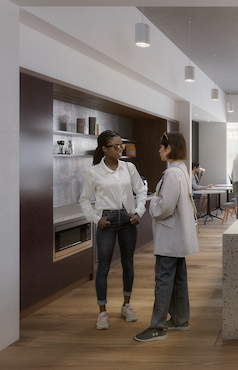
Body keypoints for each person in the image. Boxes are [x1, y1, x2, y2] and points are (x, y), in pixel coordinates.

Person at [78, 130, 147, 330]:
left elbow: (141, 191)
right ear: (104, 149)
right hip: (106, 221)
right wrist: (95, 219)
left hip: (127, 220)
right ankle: (102, 312)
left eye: (121, 145)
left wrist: (138, 212)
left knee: (128, 264)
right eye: (115, 146)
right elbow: (84, 199)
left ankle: (127, 305)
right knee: (103, 268)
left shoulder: (129, 167)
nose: (120, 149)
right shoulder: (94, 172)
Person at [135, 132, 199, 342]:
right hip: (178, 235)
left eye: (161, 147)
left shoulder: (171, 174)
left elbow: (165, 207)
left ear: (169, 148)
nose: (159, 150)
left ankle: (158, 327)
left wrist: (153, 200)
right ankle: (181, 320)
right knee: (178, 279)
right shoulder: (181, 171)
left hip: (170, 237)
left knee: (163, 279)